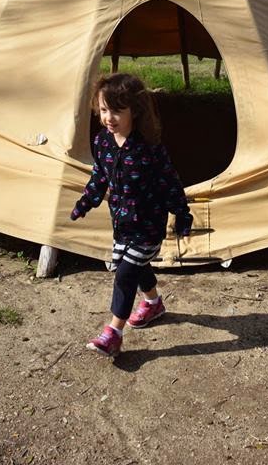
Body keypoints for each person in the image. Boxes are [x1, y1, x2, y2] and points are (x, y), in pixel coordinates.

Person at [70, 72, 193, 360]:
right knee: (134, 267)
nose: (108, 117)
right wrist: (86, 202)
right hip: (122, 223)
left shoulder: (149, 149)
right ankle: (153, 303)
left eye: (116, 110)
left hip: (148, 224)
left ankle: (113, 334)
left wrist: (182, 214)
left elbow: (169, 182)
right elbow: (99, 177)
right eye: (103, 110)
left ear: (134, 111)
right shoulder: (103, 143)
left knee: (125, 274)